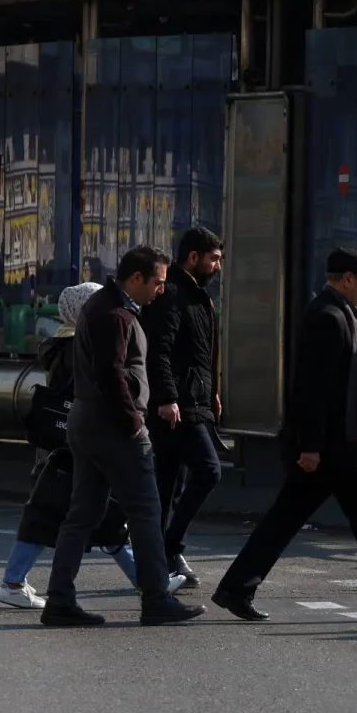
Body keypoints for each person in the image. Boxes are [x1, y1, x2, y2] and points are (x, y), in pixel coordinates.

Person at [211, 248, 357, 624]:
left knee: (293, 518)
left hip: (337, 444)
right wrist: (311, 445)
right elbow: (312, 390)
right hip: (337, 447)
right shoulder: (329, 318)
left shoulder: (335, 313)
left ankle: (237, 587)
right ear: (347, 278)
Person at [0, 281, 184, 609]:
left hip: (64, 442)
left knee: (94, 514)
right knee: (61, 514)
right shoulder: (79, 346)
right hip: (73, 444)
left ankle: (146, 579)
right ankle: (14, 581)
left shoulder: (62, 344)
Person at [41, 246, 204, 627]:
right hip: (112, 425)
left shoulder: (104, 306)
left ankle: (60, 599)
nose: (161, 290)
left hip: (89, 421)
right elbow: (111, 373)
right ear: (136, 279)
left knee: (82, 514)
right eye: (158, 282)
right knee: (146, 510)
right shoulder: (115, 314)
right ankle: (156, 597)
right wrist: (133, 420)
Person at [142, 226, 225, 589]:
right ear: (194, 257)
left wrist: (213, 393)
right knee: (208, 471)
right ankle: (169, 547)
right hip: (177, 405)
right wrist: (166, 398)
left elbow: (201, 353)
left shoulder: (197, 295)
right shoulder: (173, 294)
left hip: (193, 401)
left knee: (169, 485)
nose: (218, 266)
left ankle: (159, 560)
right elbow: (158, 350)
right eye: (214, 259)